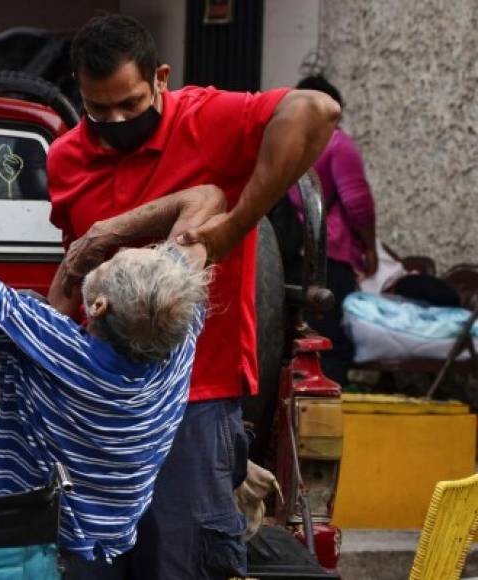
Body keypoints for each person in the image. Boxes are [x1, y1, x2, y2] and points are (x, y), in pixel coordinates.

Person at [46, 15, 341, 578]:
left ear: (161, 77)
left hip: (194, 400)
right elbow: (74, 271)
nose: (115, 121)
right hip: (102, 400)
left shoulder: (208, 120)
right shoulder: (65, 157)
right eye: (97, 108)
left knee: (181, 561)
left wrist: (236, 226)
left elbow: (318, 112)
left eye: (130, 105)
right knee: (90, 561)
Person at [0, 184, 223, 562]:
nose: (112, 257)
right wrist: (104, 234)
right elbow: (207, 200)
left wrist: (100, 233)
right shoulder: (178, 329)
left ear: (97, 306)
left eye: (114, 261)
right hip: (98, 530)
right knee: (13, 331)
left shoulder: (50, 337)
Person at [285, 74, 377, 384]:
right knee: (329, 340)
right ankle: (326, 405)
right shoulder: (337, 144)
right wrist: (369, 247)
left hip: (289, 255)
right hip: (329, 255)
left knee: (293, 335)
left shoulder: (286, 144)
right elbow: (358, 202)